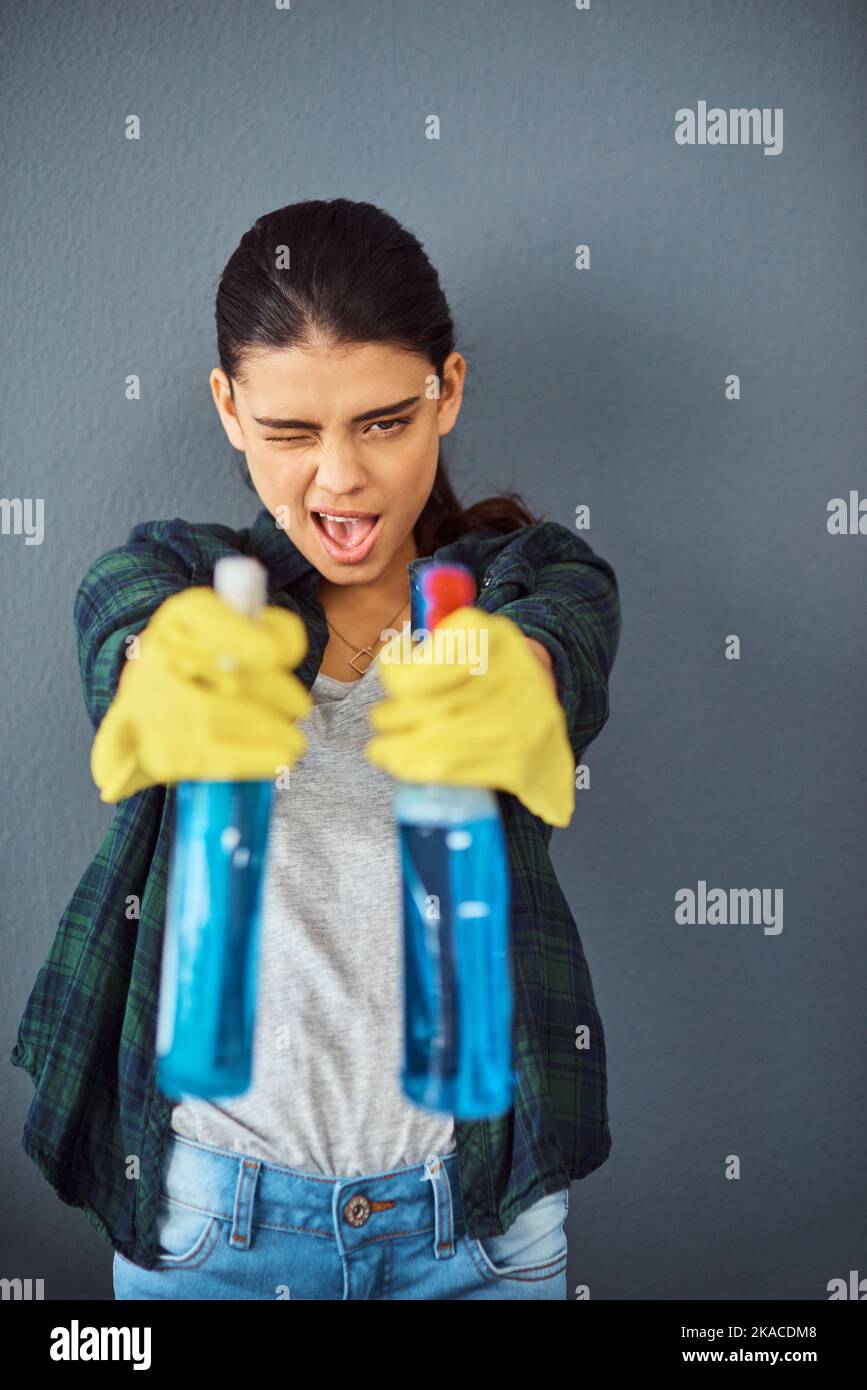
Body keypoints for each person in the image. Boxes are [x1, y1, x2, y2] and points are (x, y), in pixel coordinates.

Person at [11, 197, 621, 1300]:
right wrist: (161, 663)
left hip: (479, 1229)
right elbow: (123, 615)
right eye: (291, 432)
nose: (339, 479)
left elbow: (562, 642)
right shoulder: (181, 575)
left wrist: (516, 679)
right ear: (230, 410)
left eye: (384, 421)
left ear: (449, 391)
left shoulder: (528, 580)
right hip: (210, 1226)